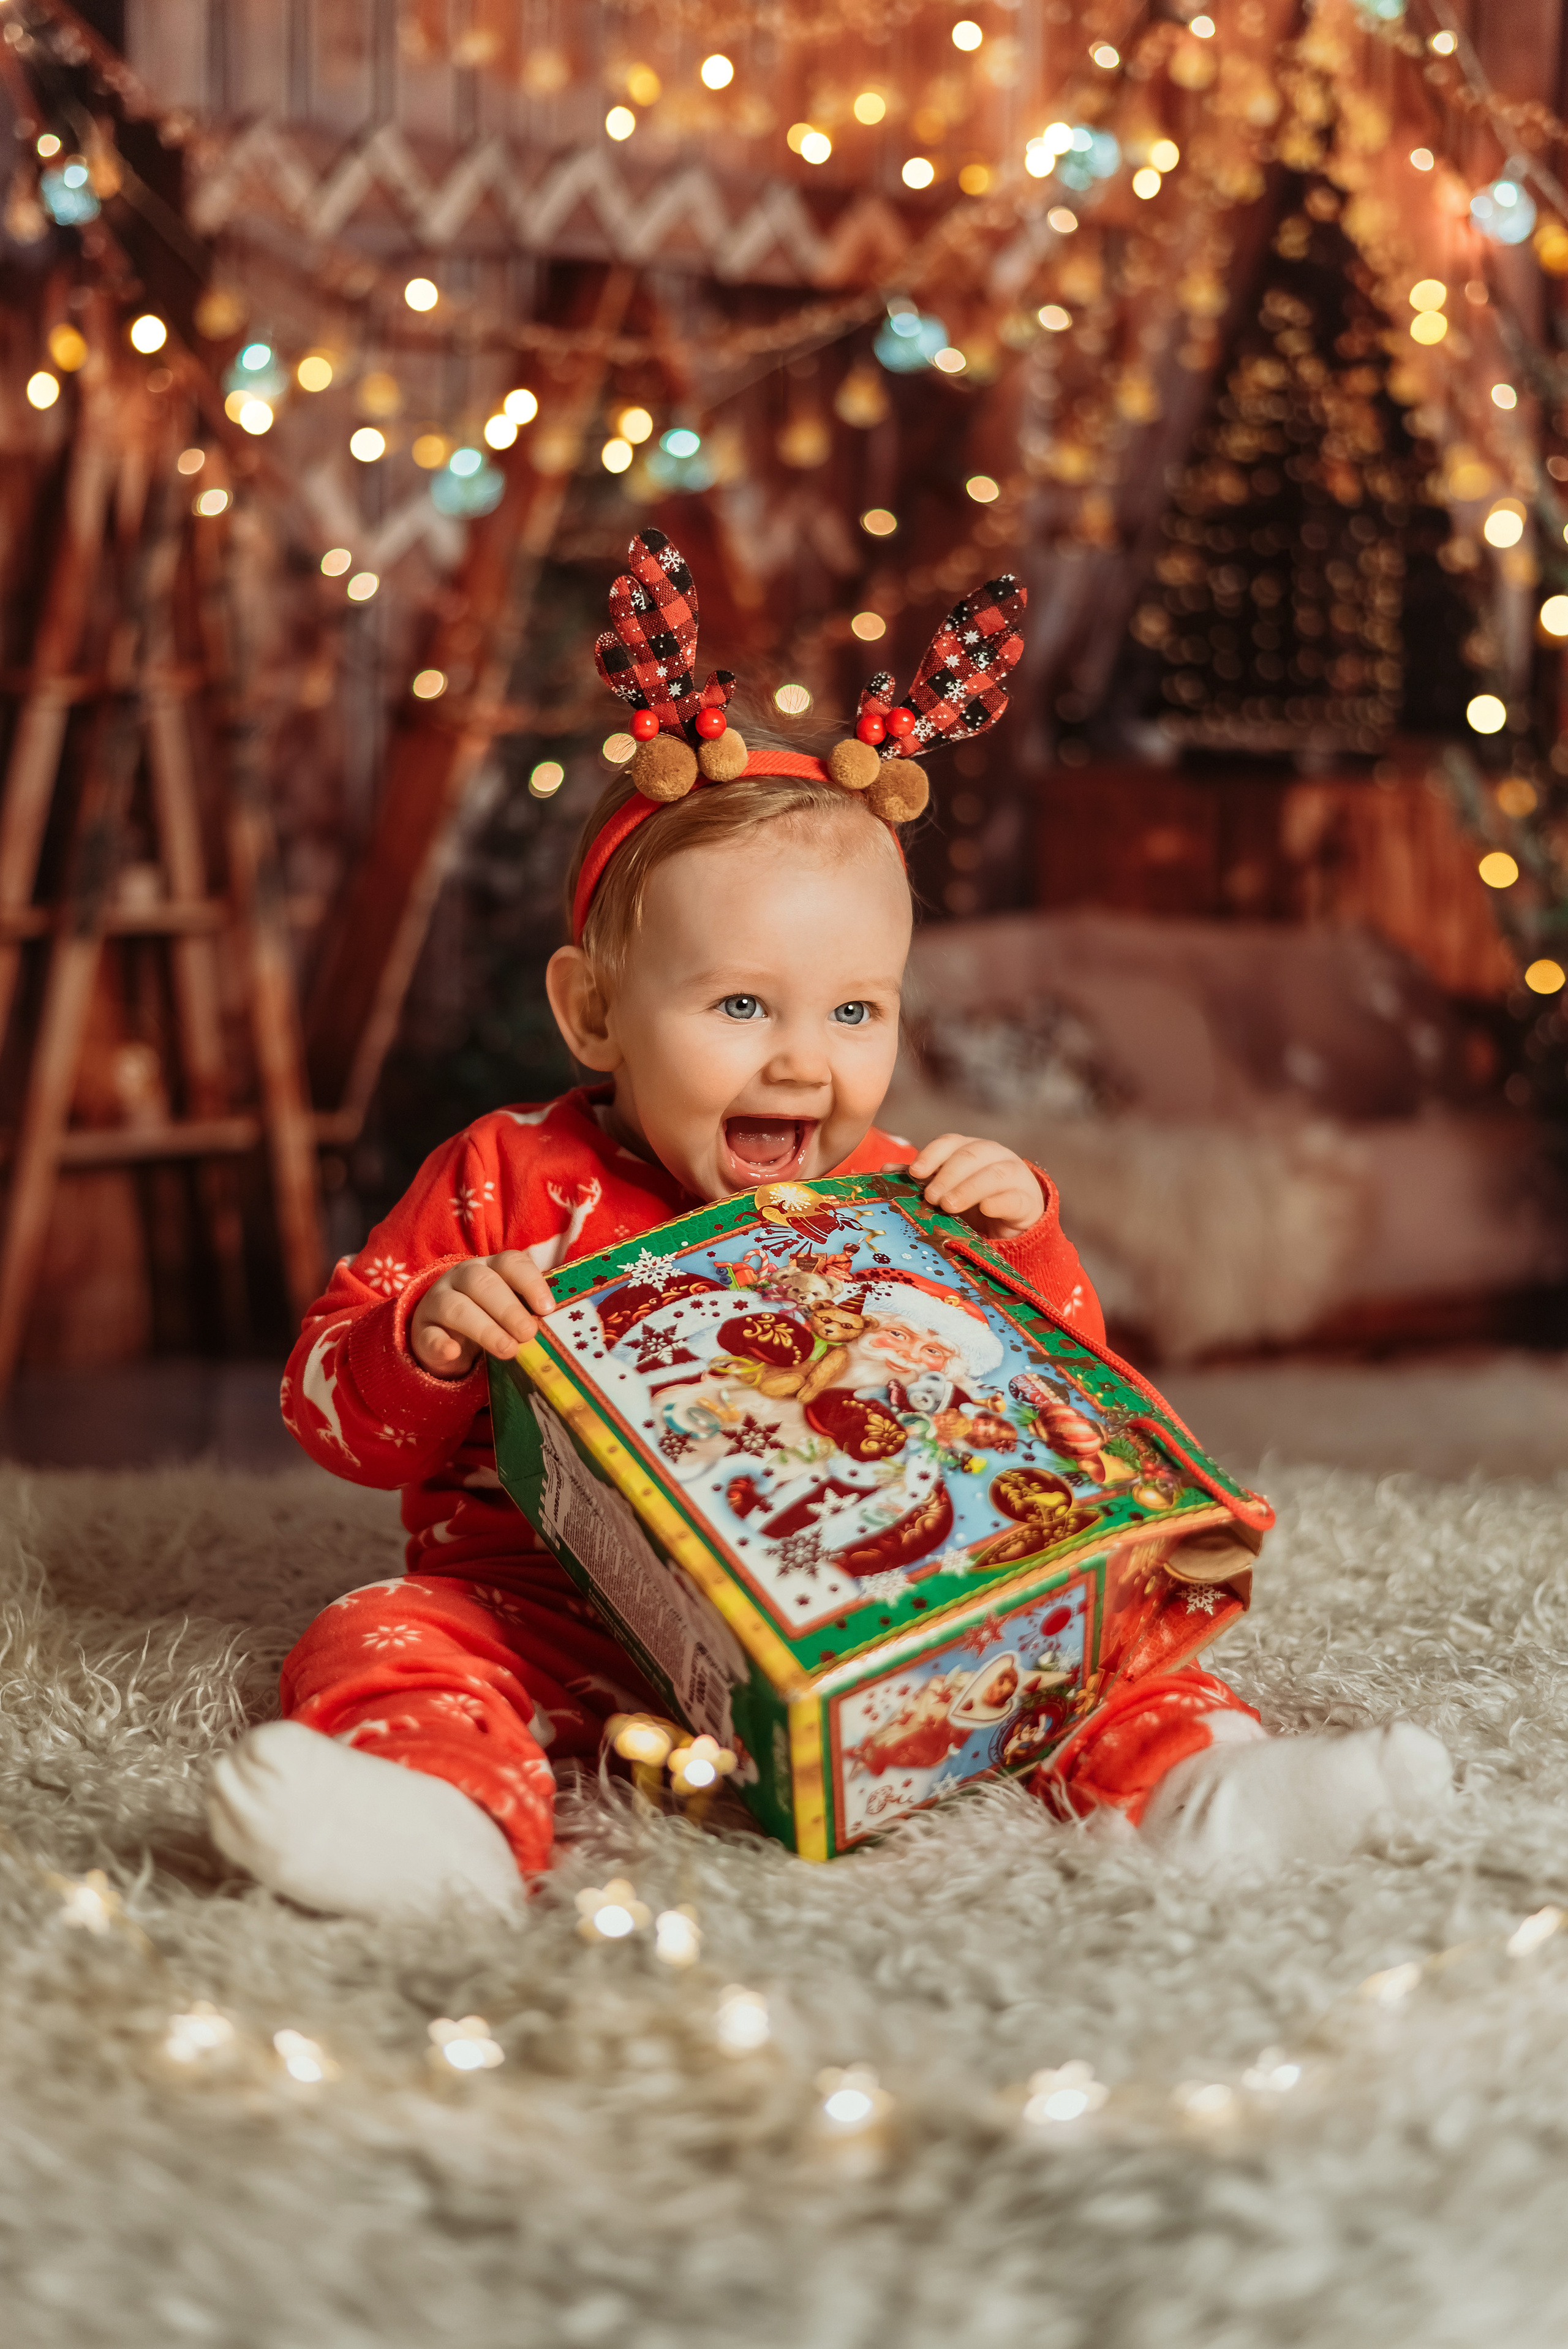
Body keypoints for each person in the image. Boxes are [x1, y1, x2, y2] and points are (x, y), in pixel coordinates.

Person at [206, 535, 1450, 1921]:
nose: (806, 1063)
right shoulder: (505, 1175)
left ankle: (1200, 1789)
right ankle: (445, 1823)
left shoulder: (901, 1195)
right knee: (384, 1634)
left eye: (854, 1011)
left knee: (1091, 1643)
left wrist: (1021, 1252)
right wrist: (429, 1337)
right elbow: (332, 1418)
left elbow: (1055, 1410)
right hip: (560, 1612)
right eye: (742, 1007)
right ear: (594, 1013)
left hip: (867, 1615)